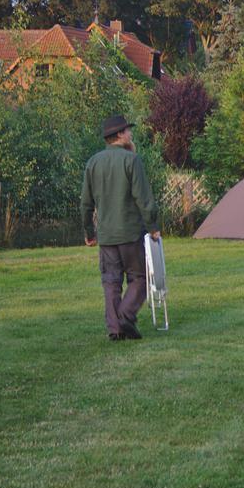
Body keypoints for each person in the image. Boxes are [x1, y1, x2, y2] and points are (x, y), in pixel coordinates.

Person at [81, 115, 160, 341]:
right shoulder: (131, 160)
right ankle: (126, 316)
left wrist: (89, 232)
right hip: (131, 232)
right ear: (119, 135)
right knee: (140, 278)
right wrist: (153, 226)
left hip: (106, 235)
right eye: (127, 130)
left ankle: (115, 329)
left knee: (111, 281)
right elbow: (143, 197)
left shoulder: (93, 162)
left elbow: (85, 203)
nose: (130, 133)